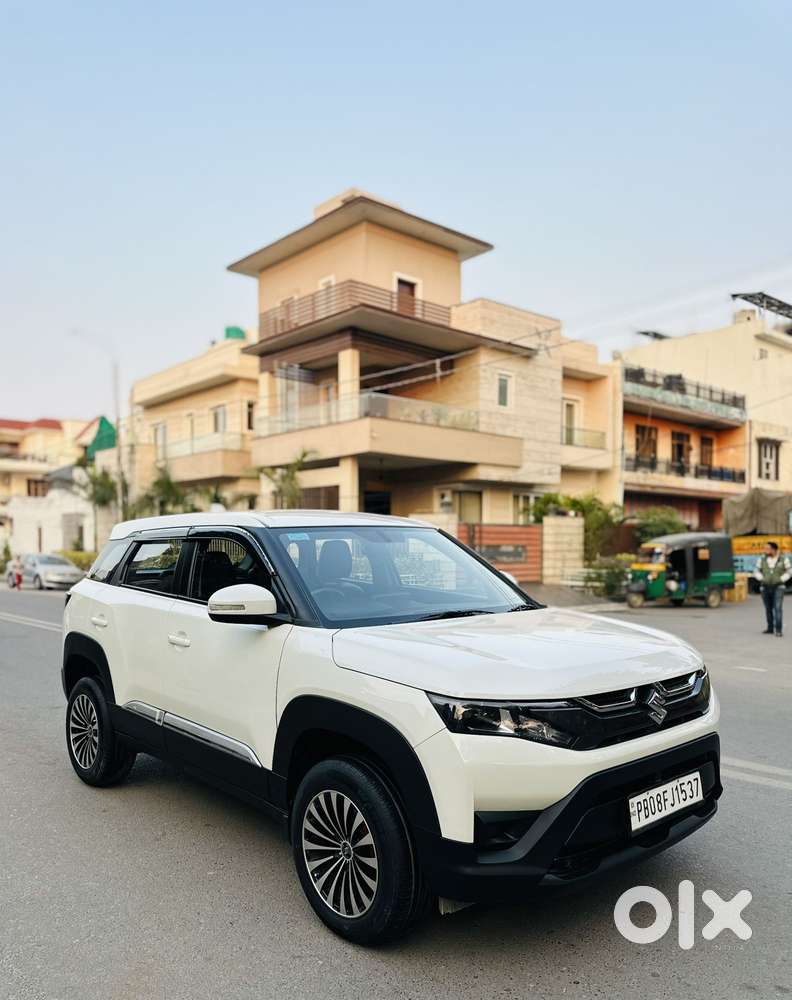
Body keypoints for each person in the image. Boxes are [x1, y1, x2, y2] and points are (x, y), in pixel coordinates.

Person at [753, 541, 791, 637]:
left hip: (779, 587)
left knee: (777, 608)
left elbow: (790, 571)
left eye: (767, 548)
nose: (765, 550)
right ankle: (770, 628)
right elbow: (756, 570)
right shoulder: (761, 559)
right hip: (765, 587)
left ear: (774, 550)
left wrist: (781, 579)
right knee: (768, 608)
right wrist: (762, 578)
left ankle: (778, 630)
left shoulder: (783, 559)